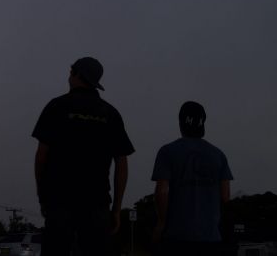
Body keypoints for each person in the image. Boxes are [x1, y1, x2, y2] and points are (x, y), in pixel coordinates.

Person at [32, 57, 135, 256]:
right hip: (97, 205)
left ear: (78, 75)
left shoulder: (56, 107)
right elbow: (122, 164)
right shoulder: (110, 113)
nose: (68, 76)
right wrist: (116, 209)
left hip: (59, 203)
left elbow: (41, 157)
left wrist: (42, 197)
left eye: (71, 71)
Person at [151, 101, 233, 256]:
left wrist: (161, 223)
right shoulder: (219, 155)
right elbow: (225, 196)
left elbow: (162, 191)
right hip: (211, 238)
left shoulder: (167, 151)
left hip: (176, 237)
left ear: (181, 123)